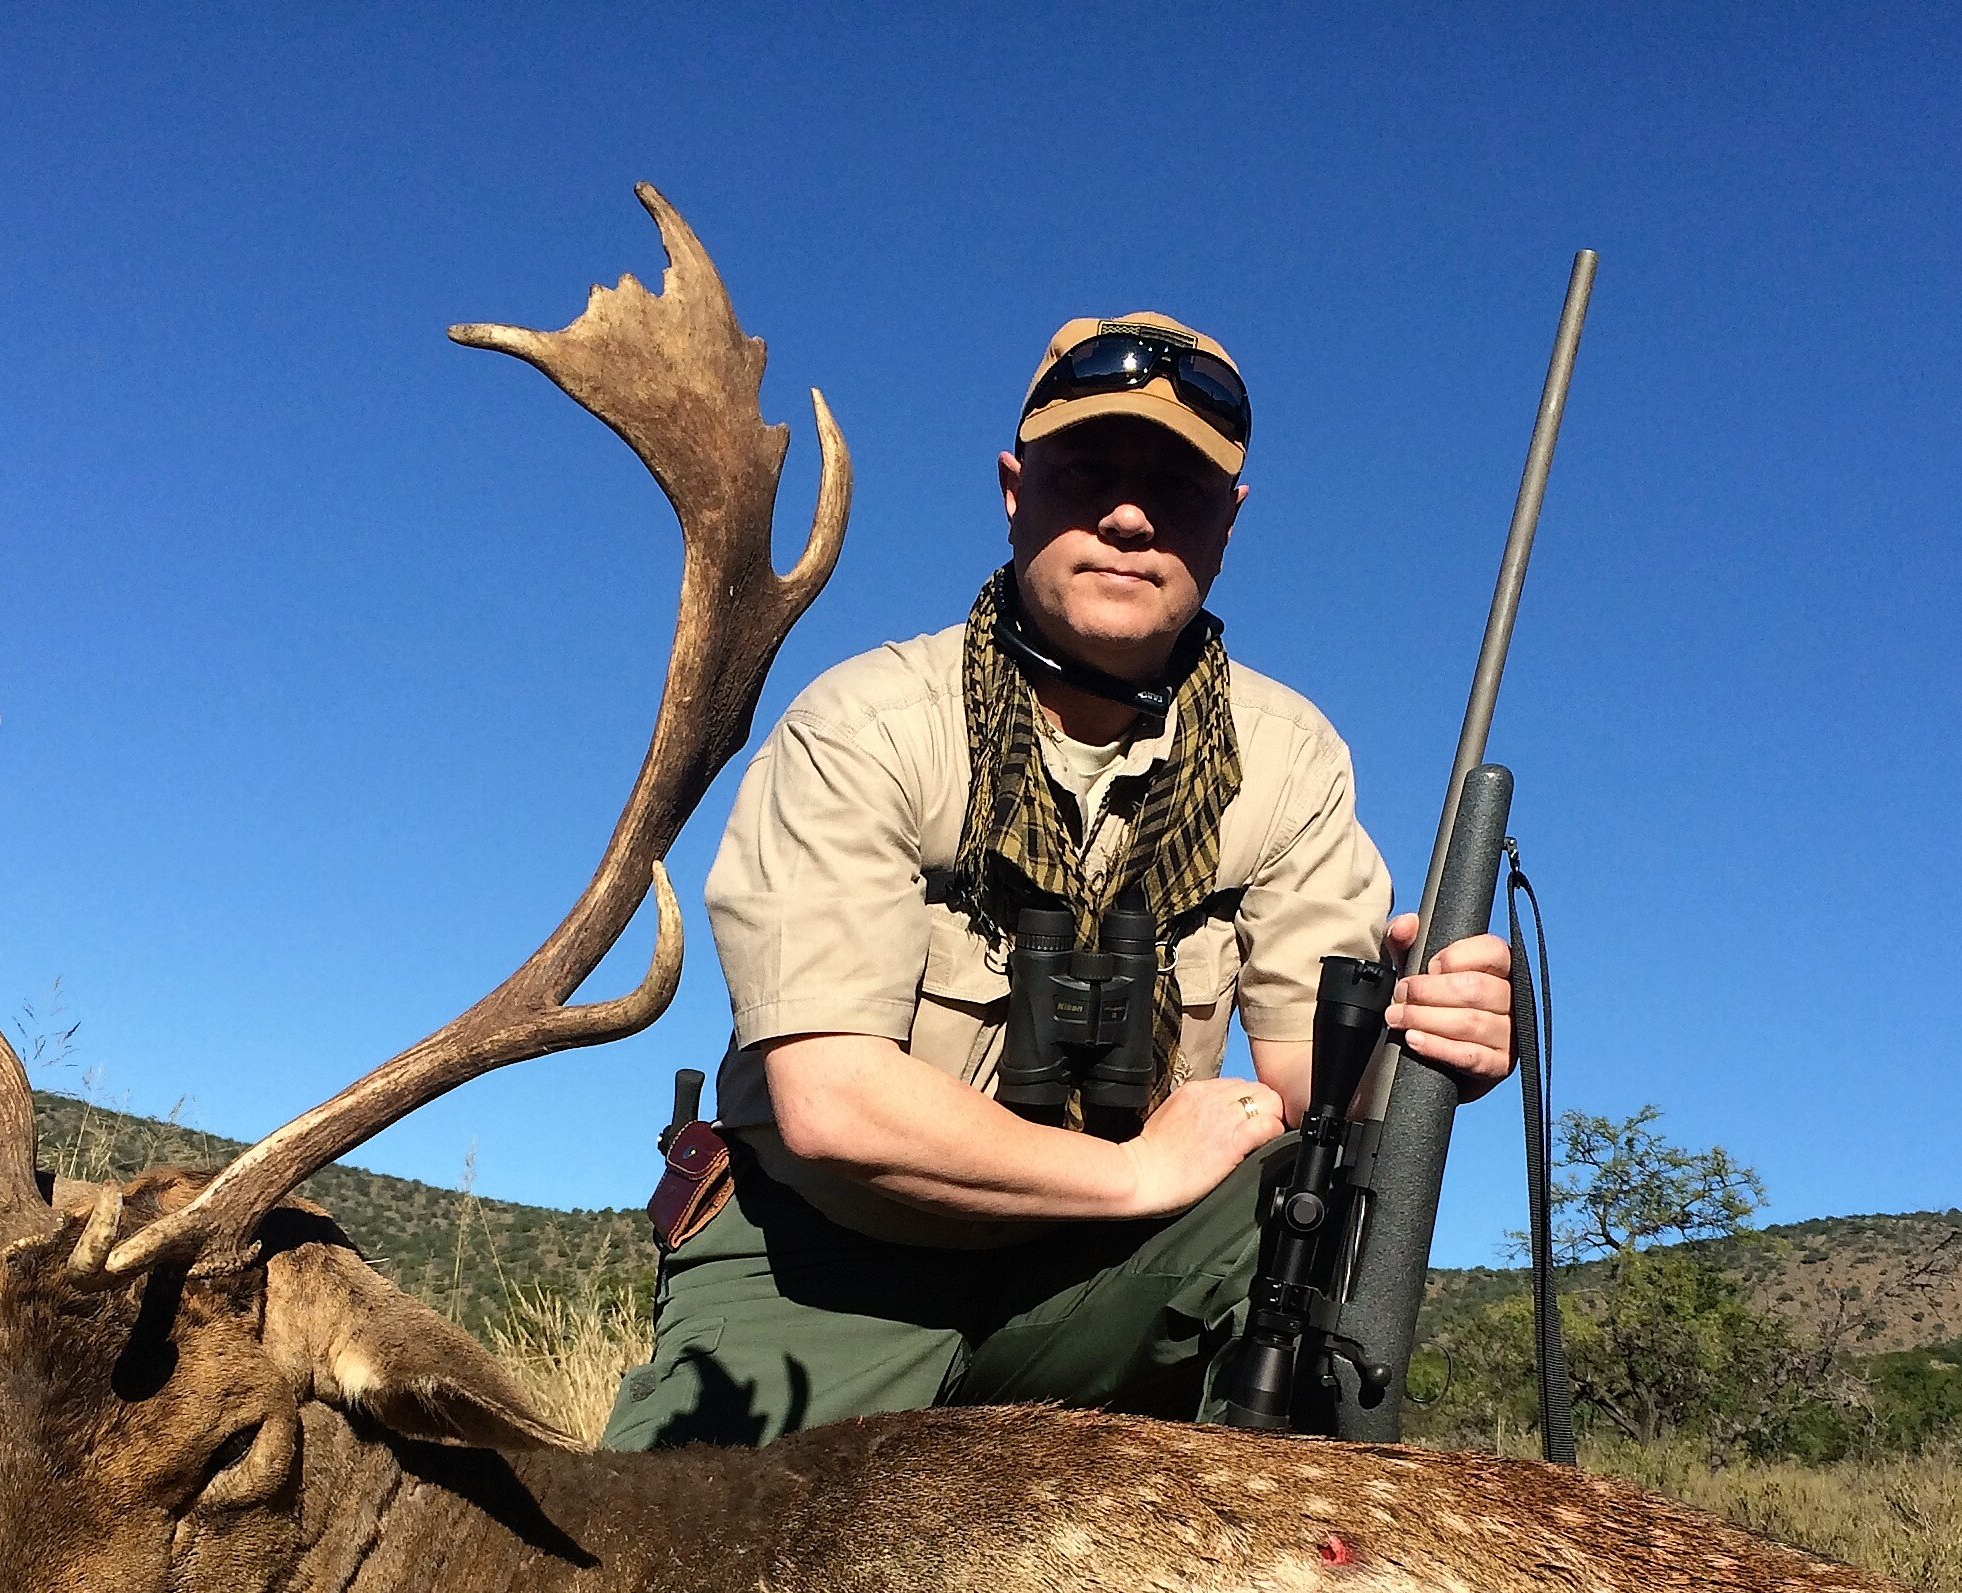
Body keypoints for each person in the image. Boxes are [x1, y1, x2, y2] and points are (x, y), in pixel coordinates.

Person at [600, 311, 1515, 1451]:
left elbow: (1303, 1086)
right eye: (1088, 472)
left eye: (1177, 487)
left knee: (1315, 1201)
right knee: (666, 1578)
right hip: (826, 1256)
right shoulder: (867, 725)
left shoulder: (1290, 758)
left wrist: (1433, 1041)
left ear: (1225, 527)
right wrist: (1135, 1175)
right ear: (1013, 488)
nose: (1129, 516)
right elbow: (832, 1106)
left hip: (1100, 1272)